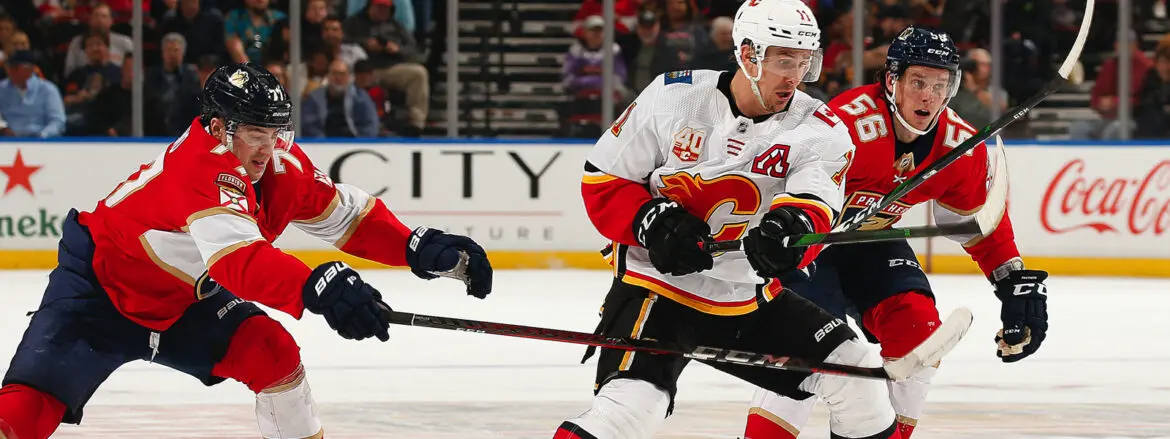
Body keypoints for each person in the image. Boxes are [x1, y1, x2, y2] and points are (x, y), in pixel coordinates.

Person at [0, 63, 493, 439]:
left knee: (273, 355)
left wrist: (417, 246)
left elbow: (345, 216)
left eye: (275, 133)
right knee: (20, 417)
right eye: (256, 134)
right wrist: (315, 286)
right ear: (217, 127)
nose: (267, 148)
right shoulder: (196, 167)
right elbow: (237, 260)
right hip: (98, 296)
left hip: (186, 302)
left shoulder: (276, 161)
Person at [554, 1, 904, 438]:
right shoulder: (672, 97)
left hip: (747, 297)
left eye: (803, 60)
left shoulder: (819, 128)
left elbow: (814, 203)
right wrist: (651, 221)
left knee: (859, 377)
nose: (794, 75)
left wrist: (787, 231)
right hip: (657, 290)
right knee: (630, 410)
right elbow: (604, 179)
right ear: (748, 53)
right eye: (782, 59)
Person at [742, 26, 1050, 439]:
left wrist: (1012, 281)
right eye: (919, 82)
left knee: (918, 331)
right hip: (807, 241)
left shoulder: (958, 147)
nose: (929, 96)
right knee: (805, 345)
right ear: (892, 80)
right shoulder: (847, 124)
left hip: (868, 240)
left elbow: (980, 224)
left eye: (941, 85)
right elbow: (775, 178)